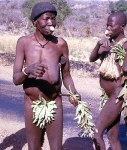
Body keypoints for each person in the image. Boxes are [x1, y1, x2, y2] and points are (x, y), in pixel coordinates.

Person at [13, 2, 80, 150]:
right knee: (34, 147)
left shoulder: (61, 44)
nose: (51, 23)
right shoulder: (23, 43)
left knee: (56, 148)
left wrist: (73, 92)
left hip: (54, 102)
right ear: (34, 21)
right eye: (46, 18)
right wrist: (27, 70)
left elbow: (67, 75)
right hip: (32, 103)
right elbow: (16, 79)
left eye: (54, 19)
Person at [89, 11, 127, 150]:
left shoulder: (125, 45)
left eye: (111, 26)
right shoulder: (106, 43)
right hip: (108, 96)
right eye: (107, 25)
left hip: (117, 94)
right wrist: (99, 45)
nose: (108, 28)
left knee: (96, 132)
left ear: (122, 26)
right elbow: (92, 58)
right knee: (112, 137)